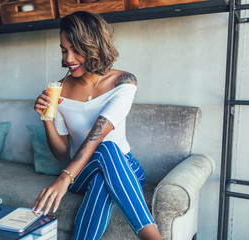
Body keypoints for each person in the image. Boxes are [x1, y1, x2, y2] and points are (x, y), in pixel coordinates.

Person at [32, 11, 162, 240]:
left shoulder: (124, 82)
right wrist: (47, 118)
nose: (68, 58)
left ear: (94, 45)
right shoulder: (58, 90)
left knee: (106, 154)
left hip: (125, 166)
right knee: (105, 152)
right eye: (64, 49)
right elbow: (61, 152)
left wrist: (63, 178)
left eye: (76, 49)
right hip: (81, 173)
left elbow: (98, 133)